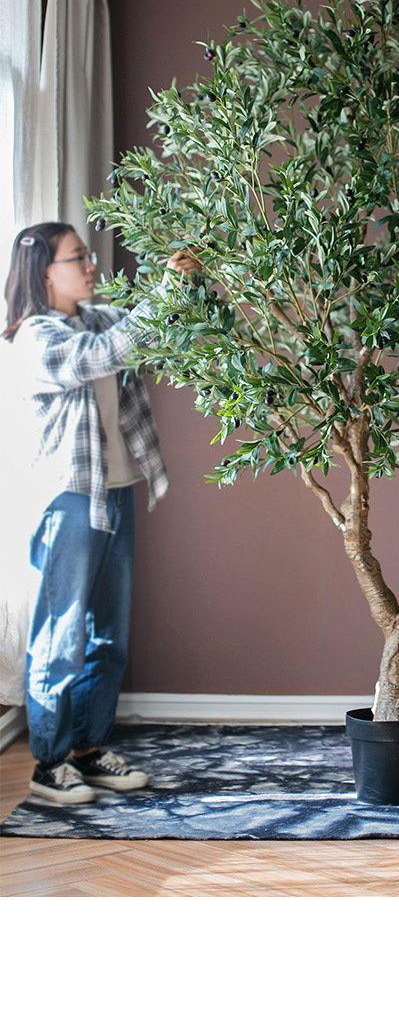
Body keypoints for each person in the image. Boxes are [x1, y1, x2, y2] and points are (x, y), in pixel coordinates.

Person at [3, 221, 198, 804]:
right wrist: (163, 291)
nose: (90, 265)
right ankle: (49, 764)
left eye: (87, 255)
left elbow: (154, 332)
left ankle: (87, 751)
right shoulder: (35, 337)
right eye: (77, 257)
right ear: (44, 272)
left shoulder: (96, 318)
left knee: (108, 636)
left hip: (113, 491)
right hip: (66, 500)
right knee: (61, 633)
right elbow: (106, 355)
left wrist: (188, 281)